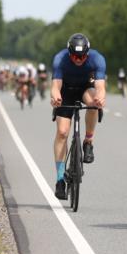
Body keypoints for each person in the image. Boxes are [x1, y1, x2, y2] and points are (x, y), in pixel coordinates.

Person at [50, 33, 106, 200]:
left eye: (82, 56)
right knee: (62, 133)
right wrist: (55, 97)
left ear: (87, 53)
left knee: (93, 102)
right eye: (75, 56)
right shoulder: (60, 59)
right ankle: (60, 179)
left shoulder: (97, 59)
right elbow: (55, 86)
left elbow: (100, 86)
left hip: (85, 88)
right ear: (69, 53)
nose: (78, 60)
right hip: (65, 90)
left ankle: (88, 141)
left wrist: (101, 97)